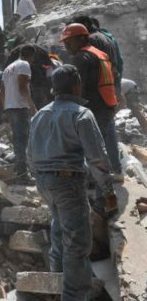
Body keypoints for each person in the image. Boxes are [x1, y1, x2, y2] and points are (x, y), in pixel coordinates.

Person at [28, 64, 117, 301]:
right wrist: (108, 192)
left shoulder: (39, 114)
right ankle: (73, 296)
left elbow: (30, 155)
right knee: (77, 244)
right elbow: (97, 158)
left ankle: (57, 283)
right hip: (68, 184)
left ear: (53, 88)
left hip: (45, 183)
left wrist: (43, 178)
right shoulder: (81, 114)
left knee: (59, 229)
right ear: (77, 85)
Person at [61, 23, 121, 214]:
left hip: (94, 109)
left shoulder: (82, 57)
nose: (66, 47)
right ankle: (103, 197)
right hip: (105, 106)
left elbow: (77, 87)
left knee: (94, 155)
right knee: (97, 153)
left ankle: (103, 201)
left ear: (80, 38)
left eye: (68, 42)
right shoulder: (98, 52)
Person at [2, 44, 37, 181]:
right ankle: (23, 173)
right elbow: (23, 88)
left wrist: (4, 108)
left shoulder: (8, 68)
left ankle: (20, 169)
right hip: (20, 107)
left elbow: (2, 91)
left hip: (10, 107)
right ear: (31, 56)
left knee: (17, 140)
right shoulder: (24, 65)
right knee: (24, 140)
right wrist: (32, 106)